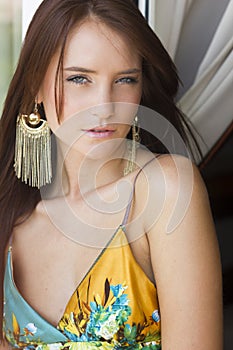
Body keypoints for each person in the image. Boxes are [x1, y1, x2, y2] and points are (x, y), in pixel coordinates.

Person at [0, 0, 223, 349]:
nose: (104, 106)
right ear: (34, 88)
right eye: (79, 79)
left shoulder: (164, 191)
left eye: (125, 80)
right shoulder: (10, 210)